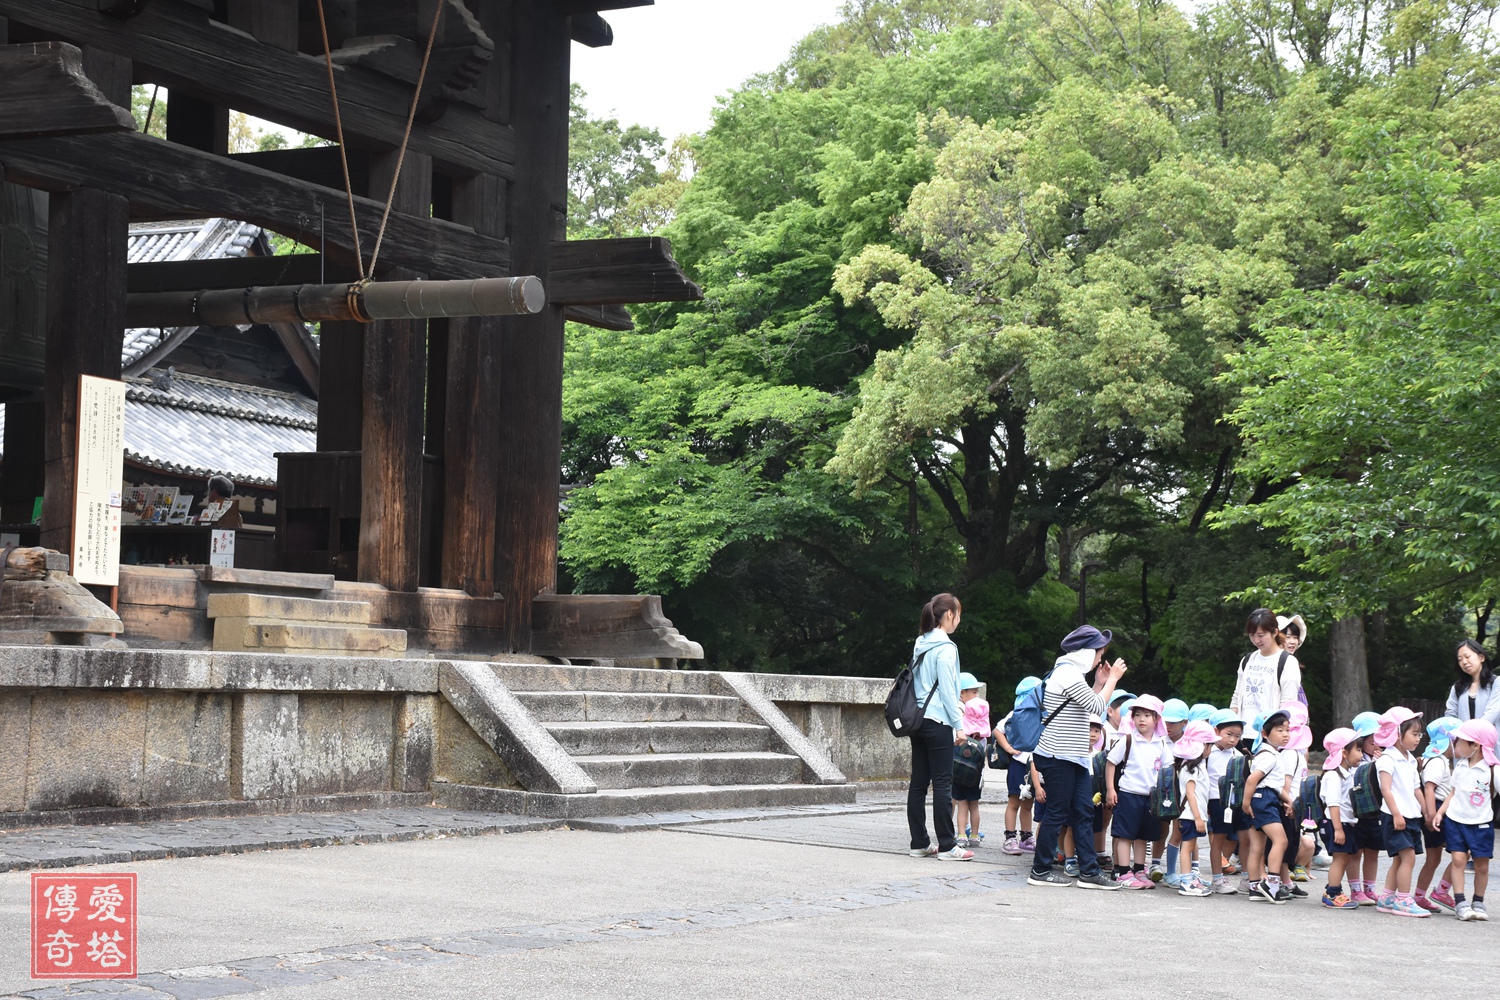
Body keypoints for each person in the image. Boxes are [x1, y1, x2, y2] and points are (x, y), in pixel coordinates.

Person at [1027, 624, 1127, 890]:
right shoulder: (1067, 672)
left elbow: (1084, 706)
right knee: (1058, 812)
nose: (1100, 659)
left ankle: (1089, 871)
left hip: (1074, 756)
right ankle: (1040, 870)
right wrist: (1113, 680)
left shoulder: (1072, 673)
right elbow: (1097, 706)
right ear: (1087, 651)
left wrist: (1099, 683)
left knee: (1083, 811)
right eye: (1099, 653)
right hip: (1058, 754)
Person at [905, 594, 974, 862]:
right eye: (958, 615)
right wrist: (959, 725)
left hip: (917, 720)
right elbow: (947, 690)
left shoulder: (921, 642)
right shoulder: (946, 647)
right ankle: (947, 845)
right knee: (943, 783)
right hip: (938, 721)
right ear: (949, 615)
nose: (959, 620)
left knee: (919, 783)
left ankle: (919, 842)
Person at [1437, 719, 1500, 921]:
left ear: (1476, 745)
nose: (1456, 744)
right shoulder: (1461, 766)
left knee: (1482, 865)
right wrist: (1441, 813)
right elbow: (1453, 793)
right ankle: (1460, 902)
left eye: (1461, 741)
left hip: (1481, 824)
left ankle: (1478, 902)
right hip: (1456, 821)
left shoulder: (1493, 770)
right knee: (1458, 860)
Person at [1105, 694, 1170, 888]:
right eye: (1137, 715)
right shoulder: (1128, 740)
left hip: (1151, 797)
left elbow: (1168, 769)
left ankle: (1139, 870)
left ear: (1156, 719)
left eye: (1147, 715)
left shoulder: (1161, 743)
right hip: (1129, 794)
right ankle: (1123, 872)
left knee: (1143, 836)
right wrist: (1110, 789)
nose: (1142, 719)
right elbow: (1111, 763)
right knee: (1126, 835)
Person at [1374, 706, 1428, 917]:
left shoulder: (1411, 759)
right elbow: (1385, 789)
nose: (1418, 739)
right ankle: (1403, 900)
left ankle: (1388, 897)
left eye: (1419, 734)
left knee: (1400, 858)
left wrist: (1426, 811)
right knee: (1409, 857)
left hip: (1411, 816)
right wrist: (1396, 814)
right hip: (1395, 816)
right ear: (1397, 734)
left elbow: (1416, 789)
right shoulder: (1387, 759)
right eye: (1414, 734)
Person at [1242, 709, 1294, 904]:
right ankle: (1271, 885)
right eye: (1280, 730)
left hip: (1262, 798)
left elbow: (1274, 785)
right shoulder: (1269, 756)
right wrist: (1246, 804)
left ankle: (1255, 887)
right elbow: (1252, 780)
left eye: (1287, 730)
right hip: (1263, 800)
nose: (1285, 734)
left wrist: (1288, 800)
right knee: (1281, 841)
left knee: (1257, 847)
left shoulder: (1269, 753)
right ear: (1265, 733)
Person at [1416, 716, 1460, 911]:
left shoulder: (1434, 759)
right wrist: (1431, 815)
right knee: (1463, 851)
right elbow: (1429, 788)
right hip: (1437, 811)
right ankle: (1441, 891)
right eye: (1457, 740)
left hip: (1437, 810)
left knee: (1434, 858)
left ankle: (1419, 896)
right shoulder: (1437, 761)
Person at [1230, 608, 1302, 724]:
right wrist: (1231, 724)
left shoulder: (1288, 662)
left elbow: (1288, 705)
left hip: (1270, 732)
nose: (1256, 640)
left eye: (1261, 635)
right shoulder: (1247, 660)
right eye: (1252, 635)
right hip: (1244, 731)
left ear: (1275, 632)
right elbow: (1237, 697)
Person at [1319, 727, 1363, 909]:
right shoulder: (1333, 775)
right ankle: (1333, 893)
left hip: (1345, 823)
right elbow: (1333, 804)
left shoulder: (1348, 773)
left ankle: (1333, 888)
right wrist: (1338, 829)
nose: (1361, 754)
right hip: (1336, 823)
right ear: (1344, 753)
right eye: (1358, 750)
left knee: (1344, 858)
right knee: (1340, 858)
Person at [1172, 721, 1216, 897]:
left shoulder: (1197, 766)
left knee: (1190, 845)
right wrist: (1198, 817)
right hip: (1190, 815)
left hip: (1193, 815)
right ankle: (1186, 881)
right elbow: (1190, 793)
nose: (1211, 749)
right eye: (1209, 745)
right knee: (1187, 847)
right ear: (1201, 746)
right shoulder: (1191, 768)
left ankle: (1190, 878)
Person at [995, 678, 1039, 856]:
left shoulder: (1044, 714)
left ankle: (1026, 837)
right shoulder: (1017, 713)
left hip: (1035, 766)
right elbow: (998, 730)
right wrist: (1008, 748)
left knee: (1029, 803)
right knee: (1014, 801)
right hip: (1019, 763)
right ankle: (1010, 837)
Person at [1207, 709, 1246, 894]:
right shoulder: (1207, 753)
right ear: (1216, 731)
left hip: (1237, 801)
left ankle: (1247, 878)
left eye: (1237, 736)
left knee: (1245, 838)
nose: (1233, 740)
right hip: (1218, 801)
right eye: (1229, 734)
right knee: (1218, 840)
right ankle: (1217, 879)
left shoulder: (1238, 756)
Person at [1350, 711, 1385, 904]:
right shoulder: (1355, 758)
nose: (1376, 745)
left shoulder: (1384, 758)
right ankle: (1355, 890)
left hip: (1376, 812)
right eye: (1372, 742)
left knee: (1373, 851)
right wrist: (1373, 765)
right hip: (1358, 812)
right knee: (1356, 852)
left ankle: (1370, 889)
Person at [952, 673, 989, 848]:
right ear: (962, 692)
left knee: (961, 805)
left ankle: (960, 834)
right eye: (973, 692)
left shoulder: (961, 723)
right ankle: (974, 835)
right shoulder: (982, 732)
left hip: (959, 773)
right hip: (975, 776)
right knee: (974, 806)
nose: (976, 695)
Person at [1446, 640, 1500, 727]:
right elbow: (1450, 715)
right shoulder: (1457, 688)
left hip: (1489, 735)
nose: (1464, 662)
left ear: (1481, 657)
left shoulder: (1496, 683)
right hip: (1462, 736)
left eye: (1467, 656)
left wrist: (1471, 732)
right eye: (1460, 659)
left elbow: (1492, 713)